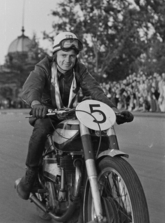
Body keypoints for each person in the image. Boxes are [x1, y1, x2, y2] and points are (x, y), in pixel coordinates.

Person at [15, 32, 134, 200]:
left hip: (71, 112)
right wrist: (36, 104)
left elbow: (94, 90)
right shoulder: (44, 67)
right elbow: (32, 84)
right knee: (41, 128)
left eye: (72, 56)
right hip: (47, 112)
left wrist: (113, 110)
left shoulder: (79, 69)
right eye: (63, 55)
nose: (68, 60)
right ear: (55, 54)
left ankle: (98, 173)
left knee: (96, 132)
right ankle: (30, 175)